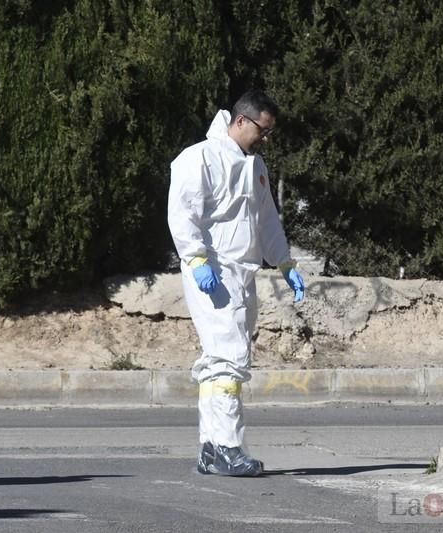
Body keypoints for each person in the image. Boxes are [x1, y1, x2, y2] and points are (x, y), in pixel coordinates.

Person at [167, 90, 305, 477]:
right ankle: (229, 446)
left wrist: (285, 262)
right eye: (263, 130)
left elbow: (266, 219)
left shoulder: (254, 165)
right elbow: (183, 212)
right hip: (213, 273)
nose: (265, 138)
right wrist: (195, 259)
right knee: (230, 359)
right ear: (241, 121)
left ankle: (211, 448)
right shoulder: (199, 158)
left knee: (218, 363)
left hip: (243, 273)